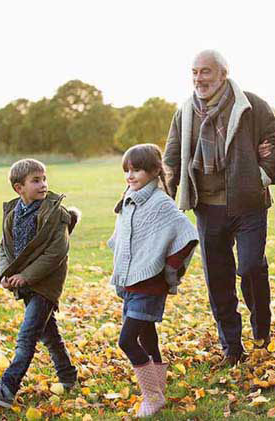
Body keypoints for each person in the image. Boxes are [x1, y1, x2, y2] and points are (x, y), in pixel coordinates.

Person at [163, 50, 275, 367]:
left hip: (249, 204)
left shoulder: (251, 105)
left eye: (206, 72)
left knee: (251, 267)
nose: (199, 78)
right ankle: (231, 346)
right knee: (218, 278)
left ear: (223, 74)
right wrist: (164, 198)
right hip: (208, 207)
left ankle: (261, 329)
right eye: (195, 72)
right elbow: (171, 158)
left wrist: (262, 174)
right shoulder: (185, 112)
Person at [0, 159, 79, 408]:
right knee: (49, 335)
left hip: (46, 284)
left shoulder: (55, 214)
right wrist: (5, 274)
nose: (43, 184)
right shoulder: (13, 214)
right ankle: (68, 377)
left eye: (44, 178)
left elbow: (56, 253)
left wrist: (26, 276)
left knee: (26, 337)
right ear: (18, 188)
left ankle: (7, 388)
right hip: (26, 285)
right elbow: (5, 247)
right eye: (36, 180)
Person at [108, 144, 199, 417]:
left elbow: (186, 233)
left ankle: (152, 396)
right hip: (131, 282)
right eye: (127, 170)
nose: (130, 176)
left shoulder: (161, 202)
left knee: (126, 341)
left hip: (149, 284)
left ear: (154, 170)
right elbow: (124, 237)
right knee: (148, 336)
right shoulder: (129, 197)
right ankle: (158, 387)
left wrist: (170, 267)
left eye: (136, 170)